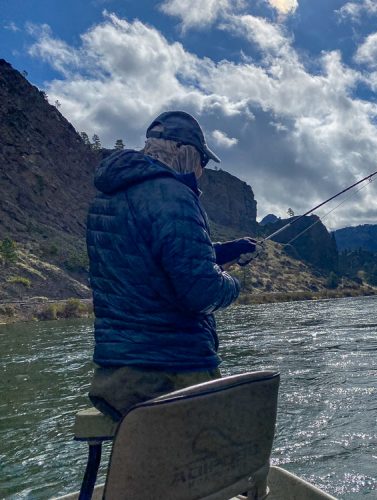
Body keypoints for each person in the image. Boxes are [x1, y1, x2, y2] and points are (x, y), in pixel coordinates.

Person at [86, 110, 258, 420]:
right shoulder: (172, 194)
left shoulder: (107, 197)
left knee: (150, 463)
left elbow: (148, 264)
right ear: (181, 150)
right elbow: (201, 293)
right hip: (172, 372)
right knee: (206, 463)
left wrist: (221, 252)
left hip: (117, 376)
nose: (201, 171)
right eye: (201, 161)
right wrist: (234, 284)